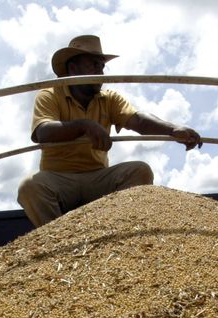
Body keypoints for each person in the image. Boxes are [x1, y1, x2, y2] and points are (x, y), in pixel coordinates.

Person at [17, 34, 203, 227]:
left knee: (140, 170)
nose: (101, 72)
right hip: (58, 179)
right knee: (29, 187)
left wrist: (173, 129)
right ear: (73, 69)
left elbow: (138, 120)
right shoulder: (49, 95)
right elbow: (43, 132)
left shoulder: (110, 99)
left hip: (98, 176)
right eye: (93, 65)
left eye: (102, 66)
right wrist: (84, 125)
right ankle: (57, 241)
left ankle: (114, 235)